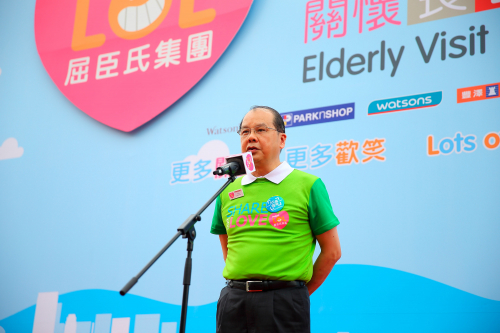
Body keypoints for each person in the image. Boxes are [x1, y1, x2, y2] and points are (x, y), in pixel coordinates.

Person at [210, 106, 341, 333]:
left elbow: (332, 252)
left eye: (261, 130)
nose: (251, 137)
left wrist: (296, 293)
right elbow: (228, 247)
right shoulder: (227, 188)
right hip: (234, 301)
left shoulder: (308, 185)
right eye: (245, 132)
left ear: (282, 139)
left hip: (284, 302)